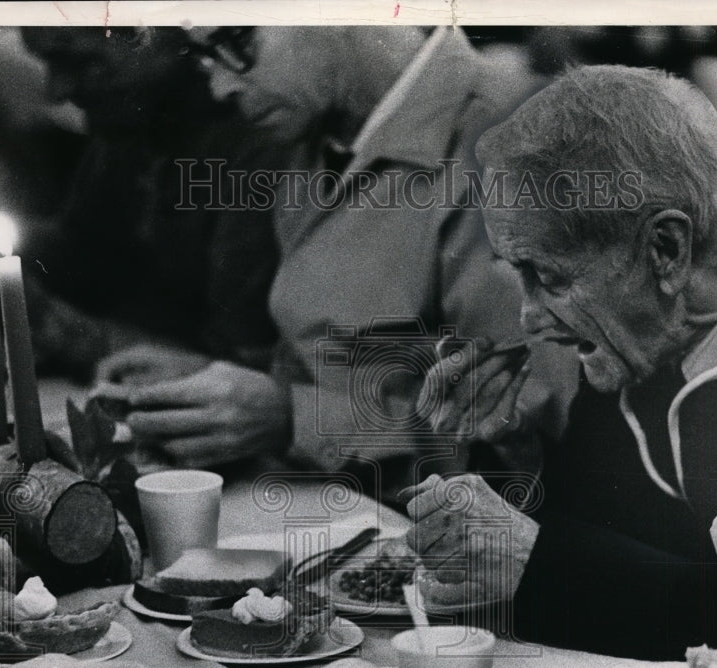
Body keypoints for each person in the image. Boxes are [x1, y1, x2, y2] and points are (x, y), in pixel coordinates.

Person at [401, 65, 717, 668]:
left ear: (667, 249)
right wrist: (520, 454)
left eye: (550, 278)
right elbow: (623, 542)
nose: (529, 319)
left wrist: (540, 565)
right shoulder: (646, 320)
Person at [103, 26, 577, 498]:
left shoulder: (506, 145)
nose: (220, 87)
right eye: (205, 56)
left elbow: (520, 452)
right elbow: (339, 359)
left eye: (237, 41)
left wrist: (295, 419)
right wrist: (214, 394)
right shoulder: (317, 130)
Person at [20, 26, 281, 381]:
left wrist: (58, 329)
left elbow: (239, 371)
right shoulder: (129, 124)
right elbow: (87, 255)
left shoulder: (262, 138)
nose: (57, 91)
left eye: (78, 59)